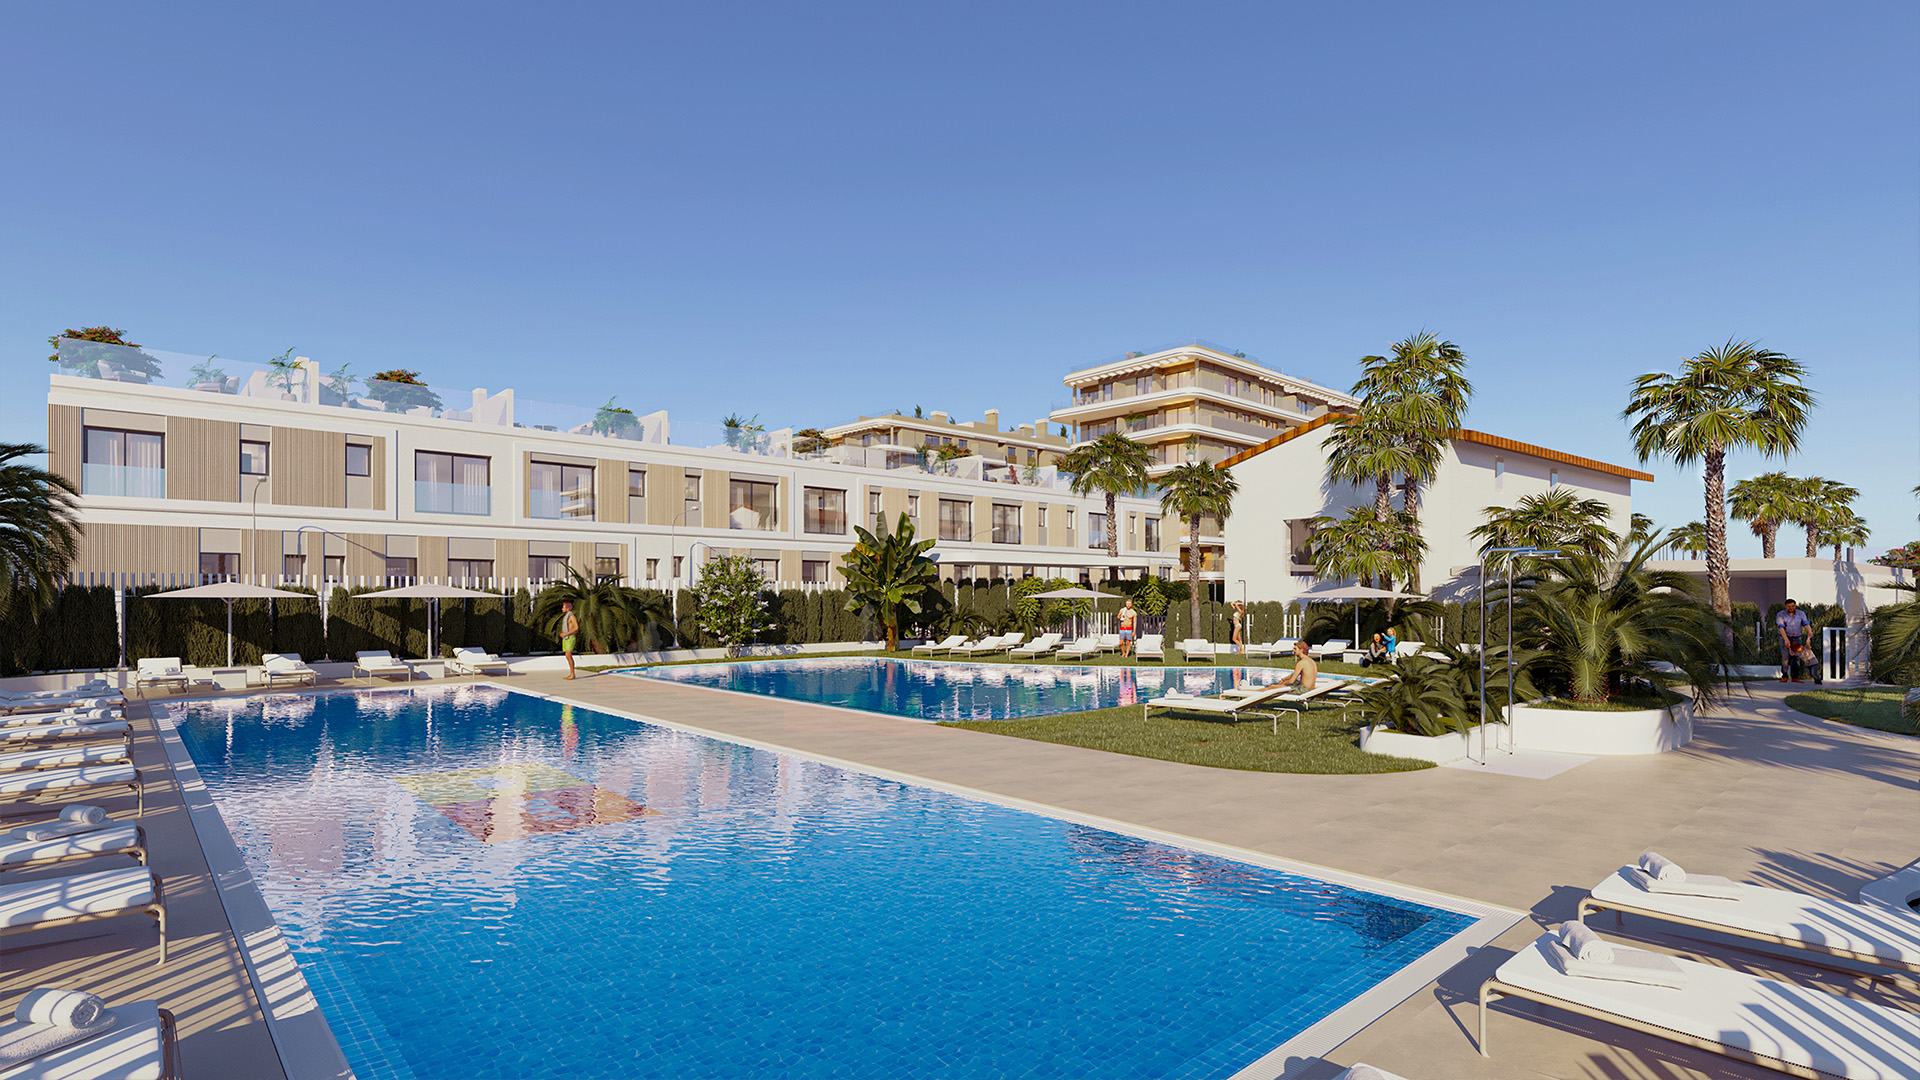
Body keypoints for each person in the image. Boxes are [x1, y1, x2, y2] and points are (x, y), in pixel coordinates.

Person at [1776, 599, 1812, 683]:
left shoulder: (1801, 613)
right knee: (1785, 657)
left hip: (1797, 638)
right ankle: (1784, 676)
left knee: (1796, 658)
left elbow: (1806, 624)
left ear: (1795, 605)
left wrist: (1809, 631)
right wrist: (1786, 639)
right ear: (1785, 606)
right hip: (1784, 637)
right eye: (1788, 606)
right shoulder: (1781, 614)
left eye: (1792, 606)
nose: (1791, 608)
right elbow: (1781, 627)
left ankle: (1795, 677)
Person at [561, 599, 580, 680]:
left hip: (570, 637)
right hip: (566, 638)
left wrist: (566, 634)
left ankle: (572, 674)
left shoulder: (572, 616)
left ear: (568, 608)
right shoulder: (566, 617)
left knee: (568, 655)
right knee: (567, 656)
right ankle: (571, 673)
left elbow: (576, 627)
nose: (562, 609)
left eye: (563, 607)